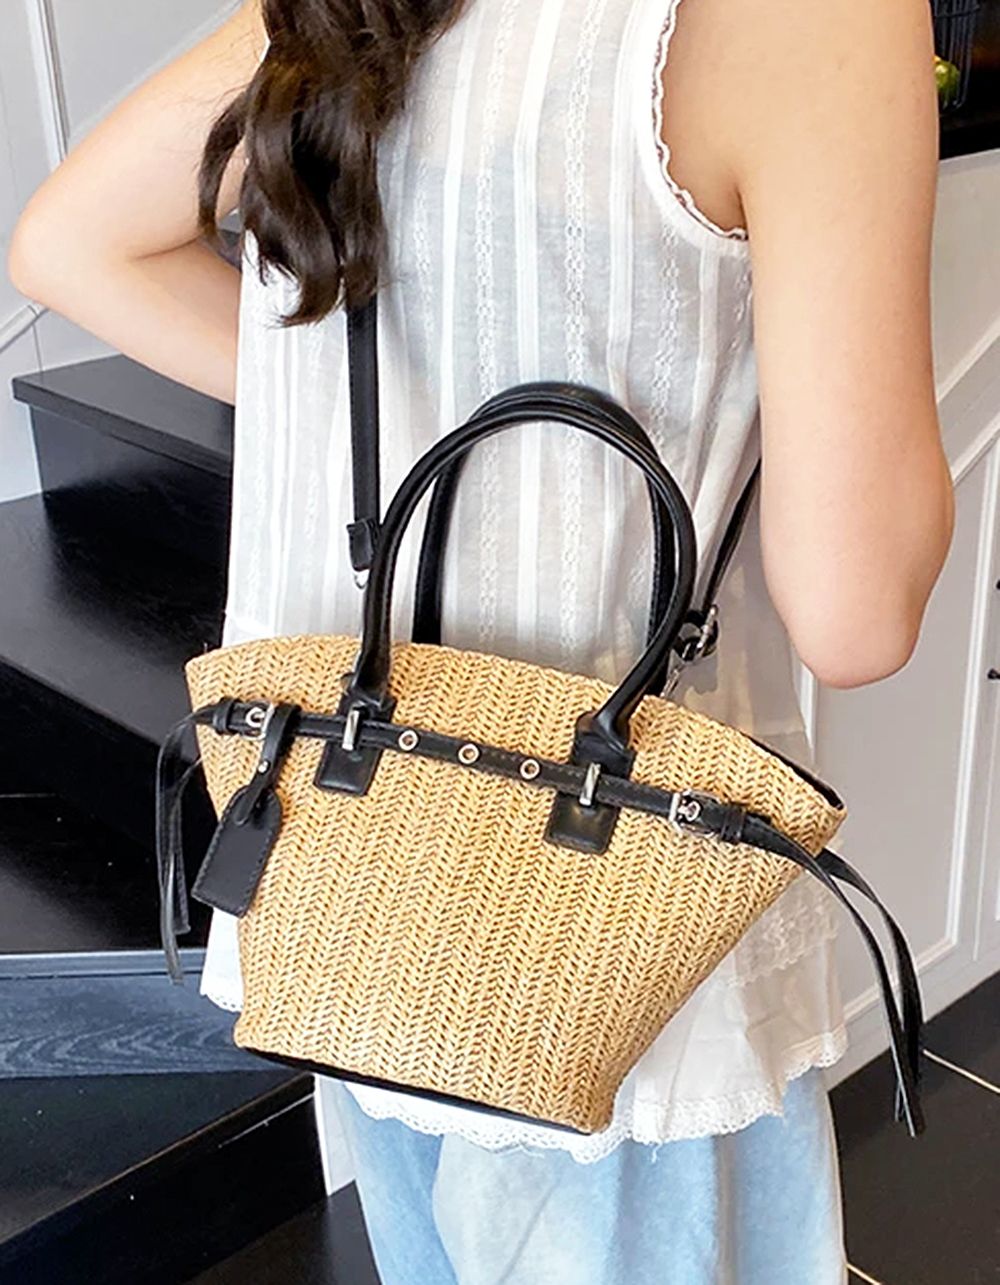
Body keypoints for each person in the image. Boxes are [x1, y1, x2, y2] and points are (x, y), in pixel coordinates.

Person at [9, 0, 953, 1280]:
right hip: (613, 915)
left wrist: (387, 418)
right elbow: (857, 616)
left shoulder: (348, 10)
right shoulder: (809, 22)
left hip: (353, 859)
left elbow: (70, 245)